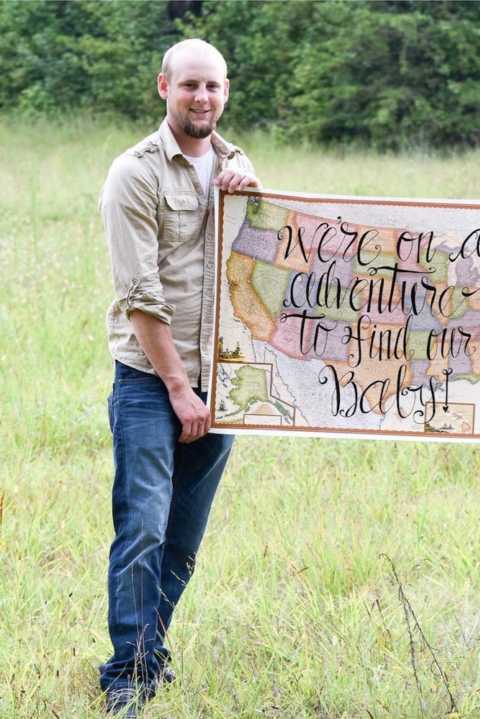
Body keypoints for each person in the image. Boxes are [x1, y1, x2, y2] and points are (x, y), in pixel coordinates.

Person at [98, 38, 259, 715]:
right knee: (143, 529)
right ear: (163, 86)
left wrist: (252, 183)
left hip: (217, 384)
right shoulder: (133, 174)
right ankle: (126, 675)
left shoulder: (234, 167)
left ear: (226, 93)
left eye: (214, 87)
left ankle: (150, 648)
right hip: (150, 383)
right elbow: (142, 295)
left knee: (184, 540)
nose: (202, 98)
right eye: (190, 84)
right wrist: (177, 388)